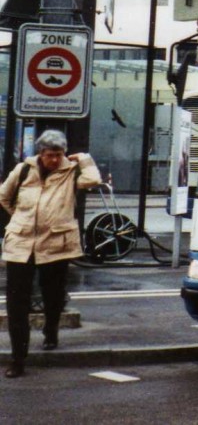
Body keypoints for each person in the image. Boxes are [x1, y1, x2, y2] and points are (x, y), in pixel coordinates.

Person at [1, 130, 101, 379]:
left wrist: (86, 160)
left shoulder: (72, 171)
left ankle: (51, 330)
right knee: (17, 304)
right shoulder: (23, 170)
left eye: (58, 154)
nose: (54, 160)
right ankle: (18, 358)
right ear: (40, 153)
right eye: (49, 155)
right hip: (21, 244)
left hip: (56, 243)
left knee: (53, 295)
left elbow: (93, 180)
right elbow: (4, 196)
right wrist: (22, 219)